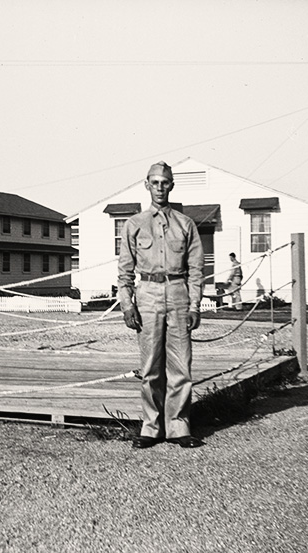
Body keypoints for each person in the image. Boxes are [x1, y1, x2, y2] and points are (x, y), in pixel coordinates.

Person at [117, 161, 205, 449]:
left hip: (178, 293)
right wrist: (127, 305)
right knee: (151, 365)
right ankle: (151, 427)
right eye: (154, 182)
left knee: (181, 366)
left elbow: (195, 269)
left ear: (172, 185)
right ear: (146, 185)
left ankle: (179, 427)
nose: (159, 188)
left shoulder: (186, 224)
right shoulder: (134, 224)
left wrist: (194, 306)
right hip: (148, 294)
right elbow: (125, 271)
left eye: (164, 182)